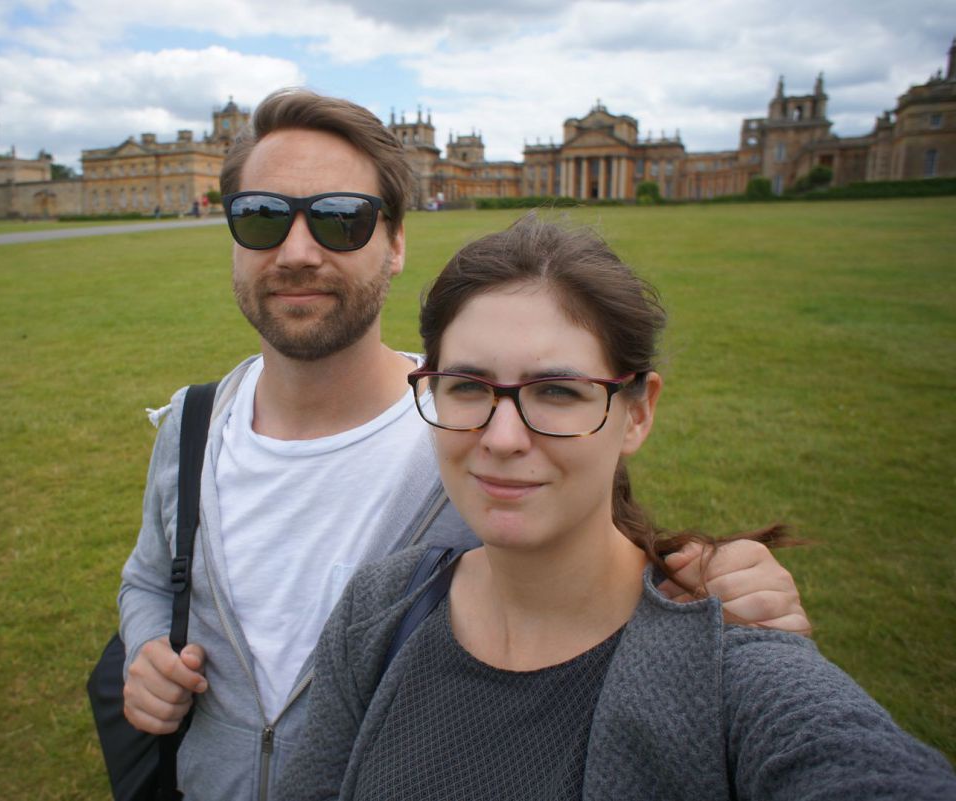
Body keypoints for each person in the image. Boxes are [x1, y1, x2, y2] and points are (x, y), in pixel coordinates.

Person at [112, 89, 811, 800]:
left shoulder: (477, 438)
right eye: (261, 216)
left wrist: (725, 585)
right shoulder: (192, 423)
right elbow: (147, 577)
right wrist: (146, 645)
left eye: (340, 219)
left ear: (396, 240)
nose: (297, 252)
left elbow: (609, 566)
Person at [278, 216, 956, 800]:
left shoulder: (732, 663)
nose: (503, 438)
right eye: (467, 386)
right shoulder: (378, 609)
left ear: (638, 412)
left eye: (557, 391)